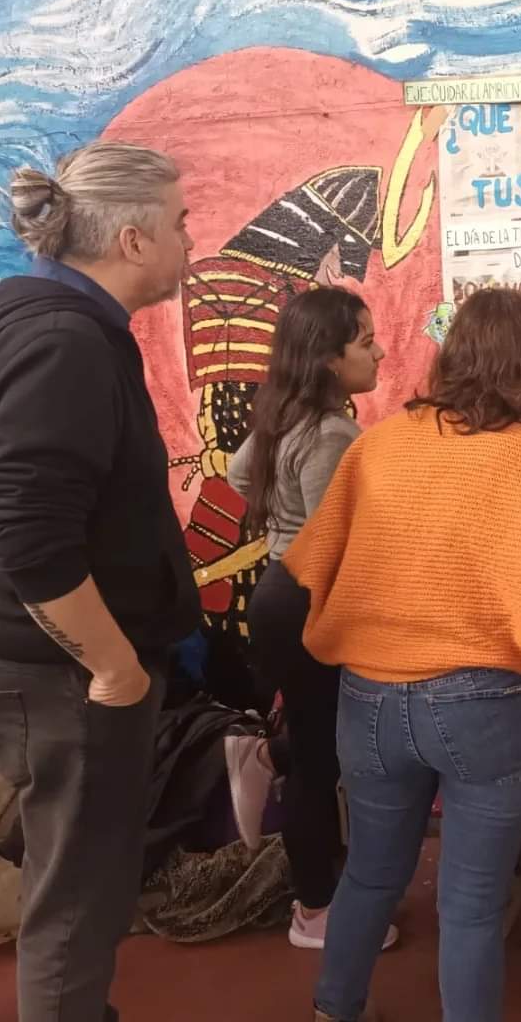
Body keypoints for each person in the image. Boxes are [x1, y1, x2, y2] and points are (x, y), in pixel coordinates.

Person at [282, 287, 521, 1022]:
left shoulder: (379, 443)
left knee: (370, 874)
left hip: (368, 697)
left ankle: (334, 1010)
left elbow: (311, 560)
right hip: (489, 702)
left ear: (454, 352)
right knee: (470, 902)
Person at [0, 143, 200, 1022]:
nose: (190, 239)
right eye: (180, 223)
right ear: (133, 241)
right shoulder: (63, 343)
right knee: (78, 897)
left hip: (28, 659)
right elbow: (28, 534)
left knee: (79, 873)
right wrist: (112, 666)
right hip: (65, 677)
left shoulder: (23, 314)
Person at [223, 287, 397, 952]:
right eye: (366, 342)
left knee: (323, 741)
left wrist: (282, 523)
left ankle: (268, 754)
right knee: (323, 763)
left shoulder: (284, 420)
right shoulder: (330, 434)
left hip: (281, 592)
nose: (379, 353)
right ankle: (316, 912)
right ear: (329, 358)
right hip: (310, 599)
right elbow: (335, 546)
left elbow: (240, 474)